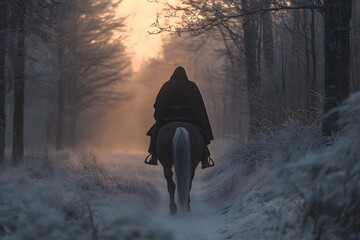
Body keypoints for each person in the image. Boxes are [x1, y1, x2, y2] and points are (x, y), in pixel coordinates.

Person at [145, 66, 214, 169]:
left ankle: (153, 156)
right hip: (189, 118)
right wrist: (200, 120)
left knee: (156, 131)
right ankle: (205, 159)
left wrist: (159, 117)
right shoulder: (192, 86)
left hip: (169, 118)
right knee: (201, 133)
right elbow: (199, 106)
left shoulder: (167, 85)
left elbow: (158, 104)